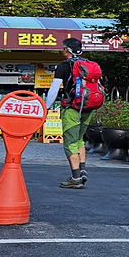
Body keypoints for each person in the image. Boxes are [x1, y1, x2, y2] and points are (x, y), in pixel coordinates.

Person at [44, 37, 92, 189]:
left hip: (72, 108)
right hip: (88, 107)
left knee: (70, 142)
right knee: (79, 140)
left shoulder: (63, 66)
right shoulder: (89, 64)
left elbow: (54, 90)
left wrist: (46, 107)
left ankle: (75, 177)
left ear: (67, 50)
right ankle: (82, 171)